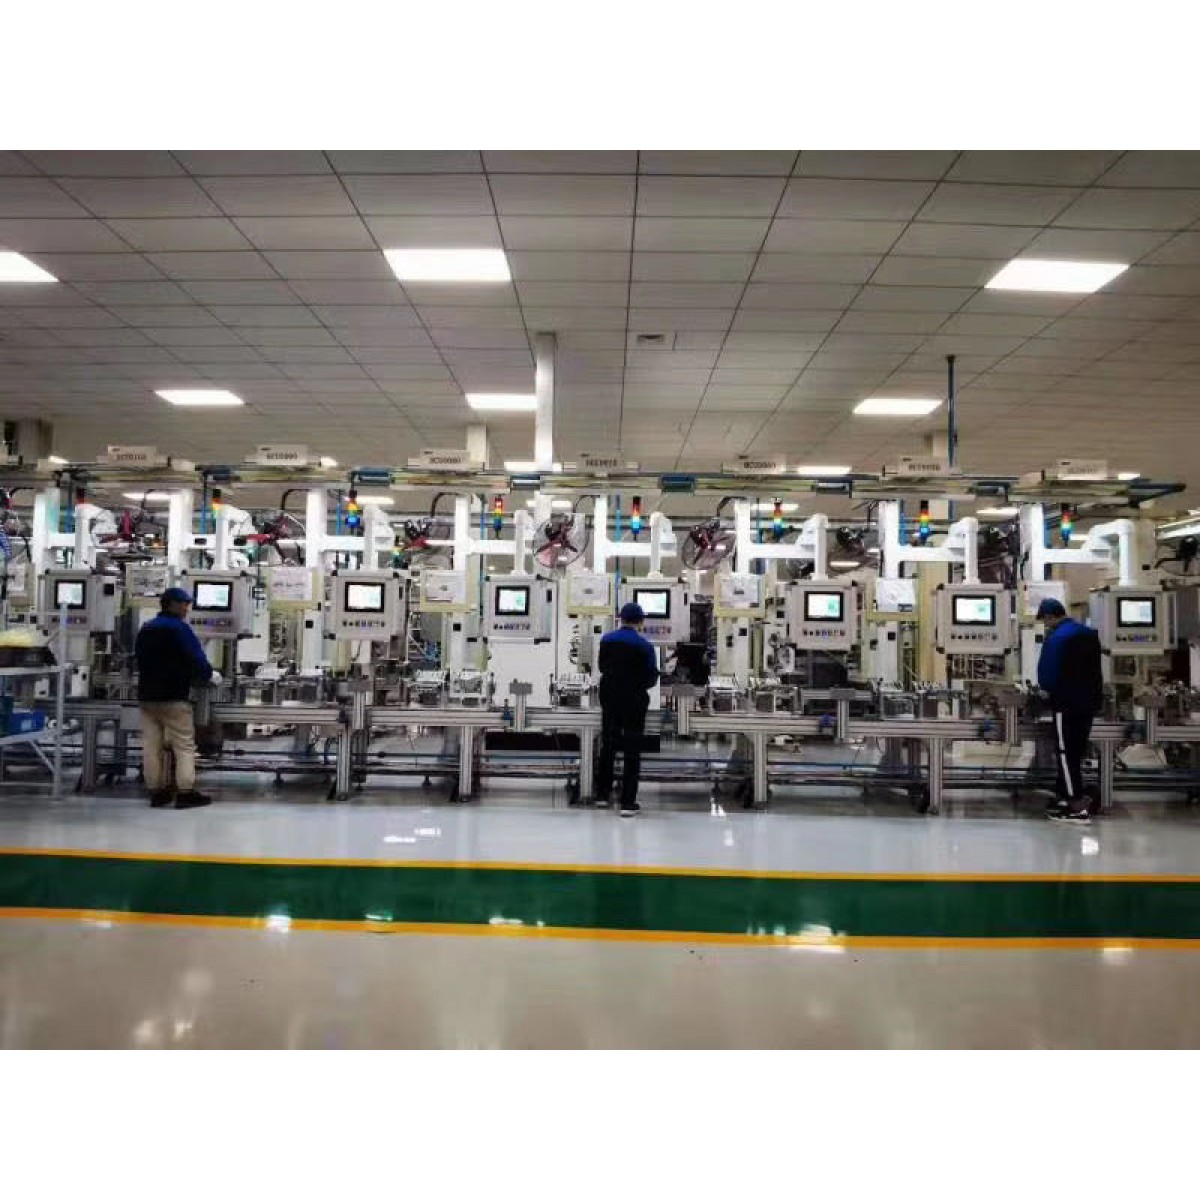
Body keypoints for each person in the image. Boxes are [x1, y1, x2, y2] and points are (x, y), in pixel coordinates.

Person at [134, 587, 222, 809]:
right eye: (184, 604)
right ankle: (185, 792)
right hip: (173, 697)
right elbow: (195, 658)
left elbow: (139, 659)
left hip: (147, 697)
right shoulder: (179, 629)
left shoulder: (147, 628)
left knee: (151, 745)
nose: (187, 608)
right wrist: (210, 675)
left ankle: (156, 792)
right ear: (172, 604)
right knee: (184, 746)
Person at [1036, 597, 1103, 822]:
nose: (1046, 625)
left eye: (1045, 620)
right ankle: (1064, 797)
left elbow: (1047, 675)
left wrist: (1045, 693)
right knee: (1076, 752)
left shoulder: (1056, 638)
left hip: (1066, 704)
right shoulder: (1088, 634)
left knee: (1065, 754)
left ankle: (1076, 805)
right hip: (1088, 704)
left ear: (1049, 616)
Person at [595, 601, 659, 816]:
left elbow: (602, 667)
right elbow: (651, 677)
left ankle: (602, 795)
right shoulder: (645, 646)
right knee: (632, 749)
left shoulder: (606, 640)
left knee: (608, 745)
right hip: (634, 700)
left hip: (610, 697)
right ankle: (627, 803)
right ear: (641, 621)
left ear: (620, 619)